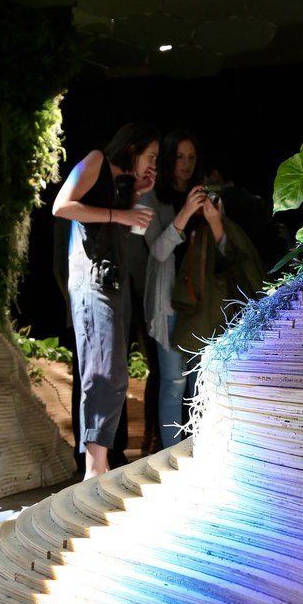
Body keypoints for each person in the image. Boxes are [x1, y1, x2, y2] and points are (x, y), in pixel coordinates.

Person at [53, 122, 159, 478]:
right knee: (102, 370)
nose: (153, 164)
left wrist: (135, 197)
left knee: (115, 373)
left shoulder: (122, 185)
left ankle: (99, 461)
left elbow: (118, 228)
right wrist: (122, 213)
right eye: (151, 156)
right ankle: (94, 465)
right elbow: (62, 207)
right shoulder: (96, 160)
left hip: (114, 283)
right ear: (132, 149)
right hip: (92, 282)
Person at [144, 131, 213, 447]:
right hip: (169, 303)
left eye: (192, 158)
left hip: (202, 304)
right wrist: (185, 213)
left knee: (201, 382)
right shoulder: (152, 198)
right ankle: (170, 456)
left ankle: (200, 449)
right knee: (173, 381)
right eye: (179, 157)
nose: (185, 165)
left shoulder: (206, 196)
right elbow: (157, 251)